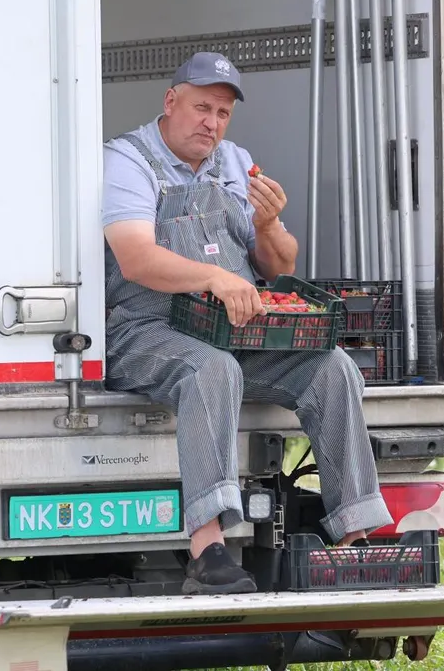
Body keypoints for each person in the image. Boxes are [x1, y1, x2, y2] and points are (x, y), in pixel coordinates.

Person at [101, 51, 393, 595]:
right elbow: (136, 257)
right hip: (145, 329)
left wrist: (269, 222)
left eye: (223, 113)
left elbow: (279, 266)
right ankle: (207, 551)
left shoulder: (235, 163)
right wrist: (213, 276)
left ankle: (355, 537)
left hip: (233, 327)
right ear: (171, 102)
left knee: (331, 366)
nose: (211, 122)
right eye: (201, 107)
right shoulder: (126, 161)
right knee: (212, 370)